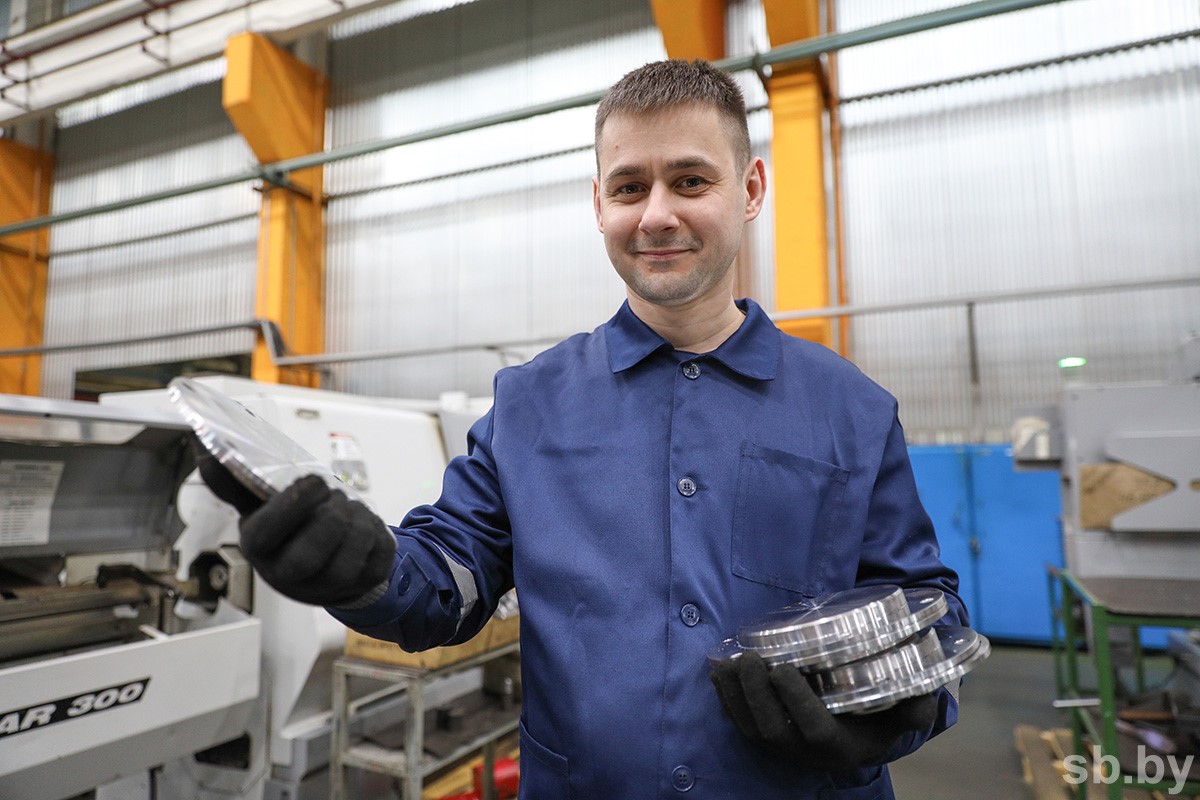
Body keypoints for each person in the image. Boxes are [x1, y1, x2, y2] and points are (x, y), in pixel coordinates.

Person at [198, 59, 966, 798]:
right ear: (600, 204)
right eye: (630, 187)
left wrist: (902, 712)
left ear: (751, 188)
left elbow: (924, 603)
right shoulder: (529, 405)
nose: (657, 215)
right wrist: (358, 569)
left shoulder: (851, 408)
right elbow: (448, 584)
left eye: (690, 180)